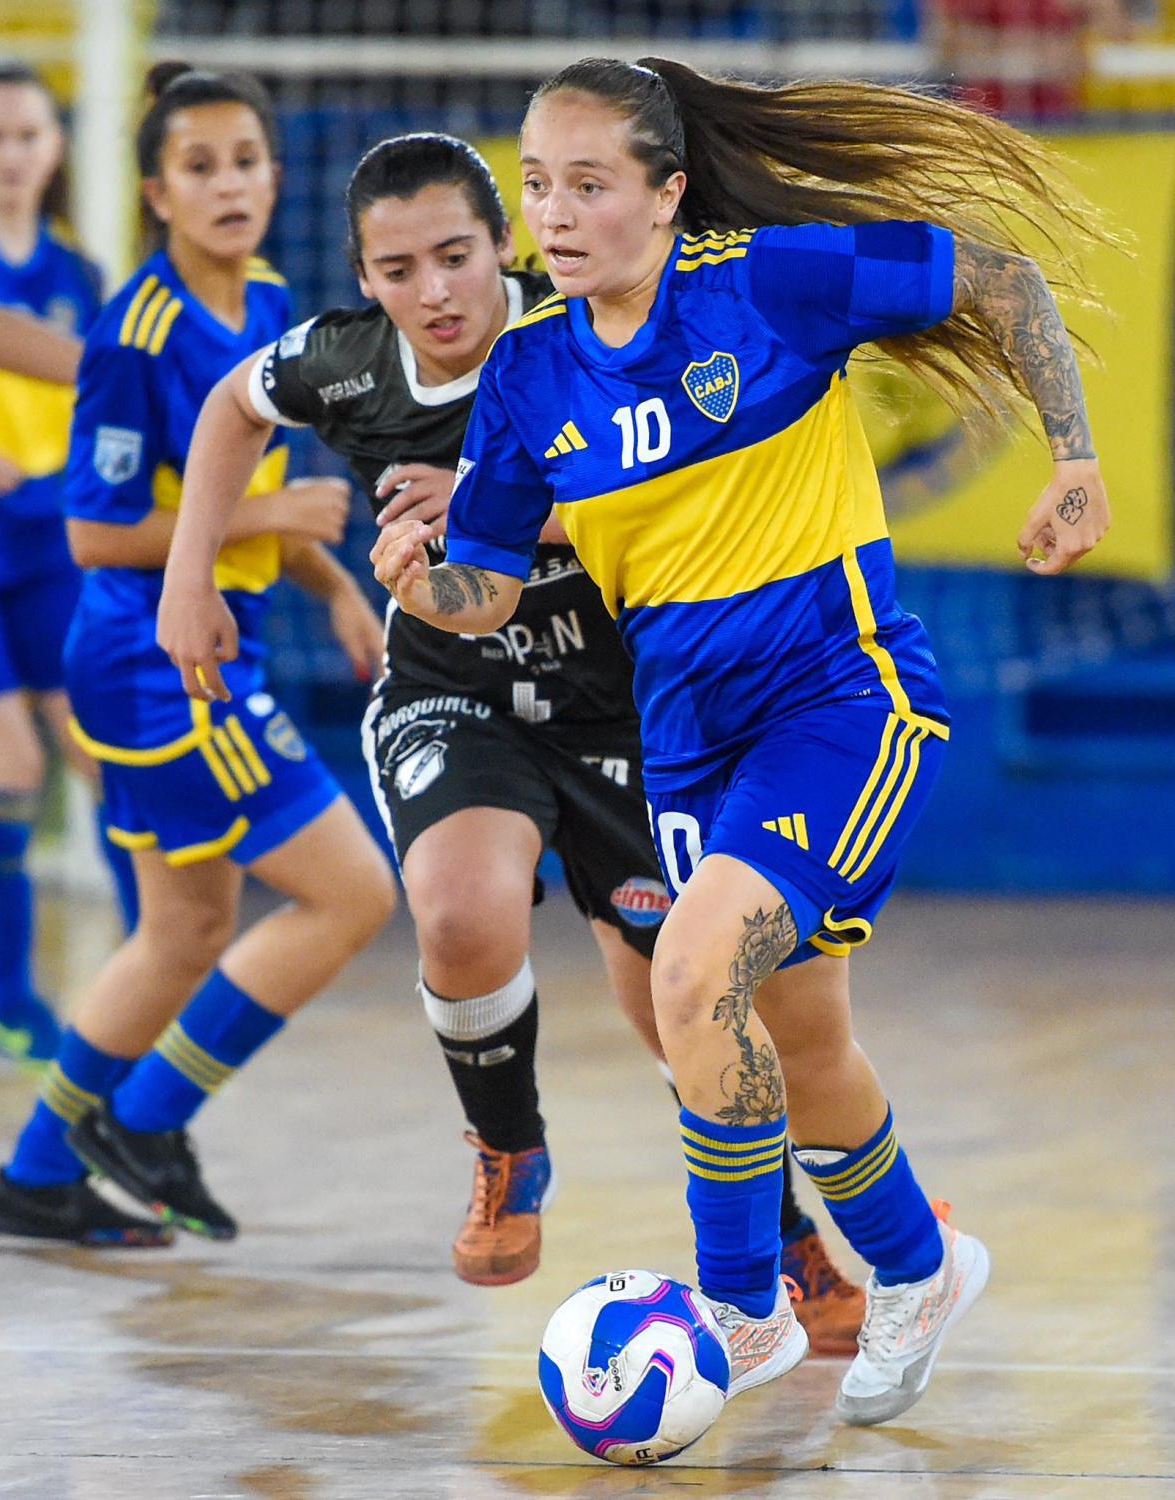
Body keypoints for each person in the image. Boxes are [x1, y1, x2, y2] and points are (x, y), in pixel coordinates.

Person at [362, 58, 1109, 1427]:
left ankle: (736, 1309)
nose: (558, 213)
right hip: (689, 743)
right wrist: (425, 590)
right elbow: (490, 584)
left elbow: (993, 274)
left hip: (844, 700)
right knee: (791, 1039)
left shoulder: (767, 285)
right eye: (538, 183)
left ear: (667, 192)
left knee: (693, 971)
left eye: (590, 183)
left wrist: (1072, 454)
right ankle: (917, 1268)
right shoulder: (527, 376)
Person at [153, 130, 864, 1353]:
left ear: (506, 249)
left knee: (677, 1004)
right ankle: (507, 1146)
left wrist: (503, 521)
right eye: (396, 268)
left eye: (456, 256)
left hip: (627, 710)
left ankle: (789, 1232)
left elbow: (684, 494)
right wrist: (189, 574)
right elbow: (230, 407)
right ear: (363, 277)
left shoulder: (585, 340)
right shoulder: (345, 365)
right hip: (455, 694)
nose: (434, 292)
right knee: (461, 908)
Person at [0, 63, 395, 1248]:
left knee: (183, 932)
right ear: (156, 192)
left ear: (275, 176)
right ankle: (148, 1120)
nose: (230, 185)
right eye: (200, 167)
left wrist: (333, 587)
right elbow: (98, 532)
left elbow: (252, 489)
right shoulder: (136, 335)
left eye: (248, 162)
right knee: (355, 893)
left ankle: (37, 1177)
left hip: (224, 638)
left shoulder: (267, 304)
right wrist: (277, 529)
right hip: (154, 656)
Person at [0, 60, 136, 1067]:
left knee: (101, 755)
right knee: (13, 765)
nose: (8, 155)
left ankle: (154, 972)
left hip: (49, 543)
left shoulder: (78, 274)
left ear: (58, 147)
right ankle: (5, 997)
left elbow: (105, 406)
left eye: (26, 135)